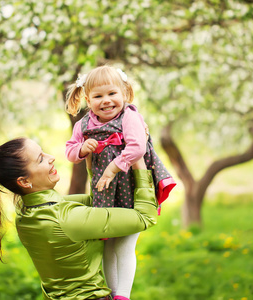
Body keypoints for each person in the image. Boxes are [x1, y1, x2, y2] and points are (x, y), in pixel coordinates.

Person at [0, 137, 158, 300]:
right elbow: (144, 216)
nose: (51, 157)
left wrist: (94, 163)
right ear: (24, 181)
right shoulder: (66, 218)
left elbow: (96, 202)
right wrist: (138, 162)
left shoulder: (26, 215)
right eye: (41, 159)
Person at [65, 66, 176, 300]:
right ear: (87, 100)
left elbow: (137, 147)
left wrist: (113, 166)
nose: (106, 101)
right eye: (98, 96)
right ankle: (112, 293)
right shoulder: (83, 125)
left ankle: (123, 295)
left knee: (124, 245)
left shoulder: (130, 117)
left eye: (112, 94)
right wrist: (82, 149)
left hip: (132, 188)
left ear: (124, 93)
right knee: (107, 244)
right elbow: (70, 151)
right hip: (104, 194)